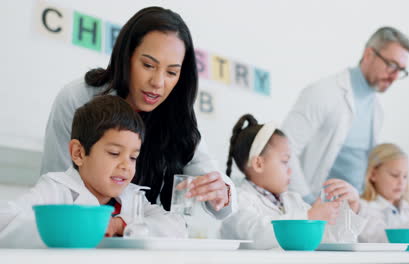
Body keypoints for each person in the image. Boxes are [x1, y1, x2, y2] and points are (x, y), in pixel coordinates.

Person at [40, 7, 236, 219]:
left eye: (171, 72)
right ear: (126, 57)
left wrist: (222, 191)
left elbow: (212, 187)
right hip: (81, 233)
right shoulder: (78, 99)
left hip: (142, 240)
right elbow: (56, 190)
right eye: (148, 65)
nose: (158, 83)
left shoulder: (177, 116)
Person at [0, 96, 187, 248]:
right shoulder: (56, 188)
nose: (126, 166)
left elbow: (177, 227)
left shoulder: (133, 196)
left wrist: (120, 224)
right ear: (78, 153)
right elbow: (7, 220)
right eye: (114, 153)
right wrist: (68, 225)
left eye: (133, 157)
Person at [282, 27, 409, 204]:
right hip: (316, 208)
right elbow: (285, 149)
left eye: (401, 70)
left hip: (354, 210)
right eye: (391, 65)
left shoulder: (376, 109)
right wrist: (307, 200)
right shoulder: (324, 93)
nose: (394, 76)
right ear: (369, 54)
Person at [220, 114, 366, 249]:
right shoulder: (236, 201)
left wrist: (352, 208)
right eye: (284, 161)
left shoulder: (294, 201)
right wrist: (309, 217)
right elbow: (259, 234)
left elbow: (330, 241)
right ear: (259, 164)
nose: (291, 171)